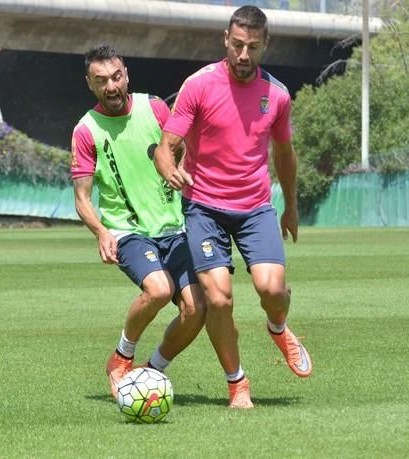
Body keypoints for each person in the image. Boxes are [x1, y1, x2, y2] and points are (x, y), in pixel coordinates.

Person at [154, 5, 312, 409]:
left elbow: (284, 154)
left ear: (265, 46)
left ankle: (279, 326)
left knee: (272, 289)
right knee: (219, 300)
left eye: (252, 47)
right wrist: (169, 167)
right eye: (237, 45)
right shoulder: (199, 85)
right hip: (203, 207)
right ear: (226, 38)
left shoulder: (276, 95)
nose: (243, 55)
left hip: (256, 206)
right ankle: (237, 383)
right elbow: (166, 146)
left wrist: (290, 208)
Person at [72, 44, 206, 399]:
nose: (111, 86)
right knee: (159, 289)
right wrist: (101, 231)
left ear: (126, 74)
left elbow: (179, 147)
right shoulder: (86, 130)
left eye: (116, 77)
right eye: (101, 81)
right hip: (129, 232)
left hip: (174, 229)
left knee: (197, 310)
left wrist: (179, 165)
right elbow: (82, 198)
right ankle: (121, 357)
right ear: (90, 84)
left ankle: (152, 371)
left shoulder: (156, 107)